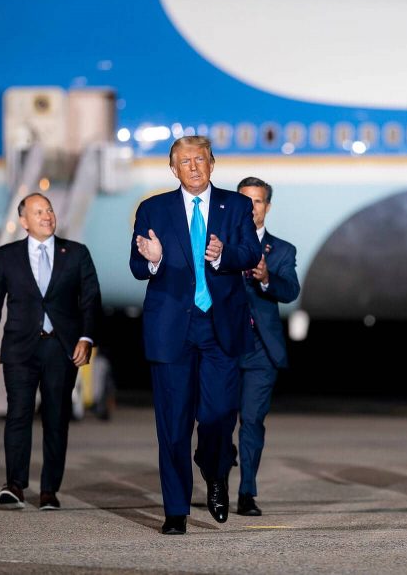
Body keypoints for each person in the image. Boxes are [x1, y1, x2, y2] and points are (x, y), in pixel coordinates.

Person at [130, 136, 262, 535]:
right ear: (173, 169)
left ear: (212, 164)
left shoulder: (235, 205)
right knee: (173, 424)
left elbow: (251, 253)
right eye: (185, 161)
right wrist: (153, 261)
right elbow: (137, 264)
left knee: (219, 416)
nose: (193, 166)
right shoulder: (153, 208)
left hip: (220, 327)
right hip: (172, 328)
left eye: (200, 159)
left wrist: (223, 255)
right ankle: (176, 510)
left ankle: (215, 469)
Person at [0, 193, 100, 511]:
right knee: (18, 414)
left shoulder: (76, 253)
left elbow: (91, 299)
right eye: (38, 212)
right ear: (24, 221)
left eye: (49, 210)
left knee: (56, 419)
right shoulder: (7, 256)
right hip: (20, 349)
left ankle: (49, 490)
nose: (47, 215)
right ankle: (15, 485)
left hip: (61, 348)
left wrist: (86, 337)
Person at [234, 176, 300, 517]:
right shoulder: (217, 245)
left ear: (267, 207)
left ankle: (247, 492)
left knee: (252, 421)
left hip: (262, 349)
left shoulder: (282, 250)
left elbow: (290, 290)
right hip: (223, 345)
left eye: (257, 201)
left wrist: (266, 279)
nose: (251, 208)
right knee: (214, 421)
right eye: (244, 201)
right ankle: (217, 477)